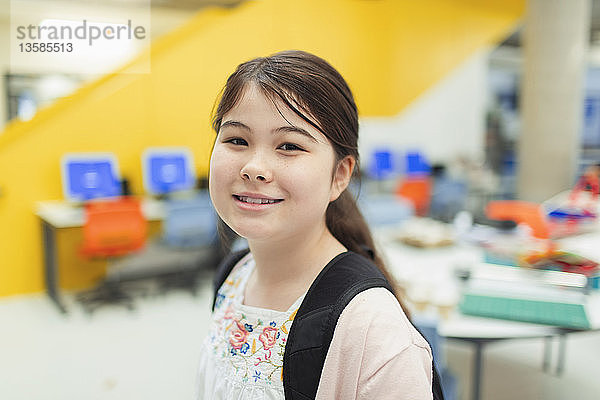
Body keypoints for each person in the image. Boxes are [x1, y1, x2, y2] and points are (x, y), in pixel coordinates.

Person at [196, 50, 434, 399]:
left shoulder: (373, 328)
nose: (254, 167)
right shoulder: (235, 275)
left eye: (289, 146)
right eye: (236, 140)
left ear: (340, 175)